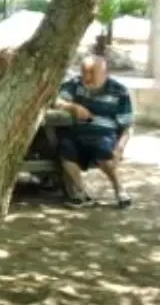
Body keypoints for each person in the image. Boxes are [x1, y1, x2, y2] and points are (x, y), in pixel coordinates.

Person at [54, 55, 134, 208]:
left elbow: (127, 125)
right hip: (78, 131)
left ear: (105, 73)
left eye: (92, 73)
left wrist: (120, 147)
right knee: (65, 149)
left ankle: (119, 189)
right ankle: (81, 192)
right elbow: (57, 100)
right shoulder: (75, 84)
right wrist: (73, 107)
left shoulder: (119, 91)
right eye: (85, 72)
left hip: (104, 133)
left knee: (102, 150)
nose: (87, 77)